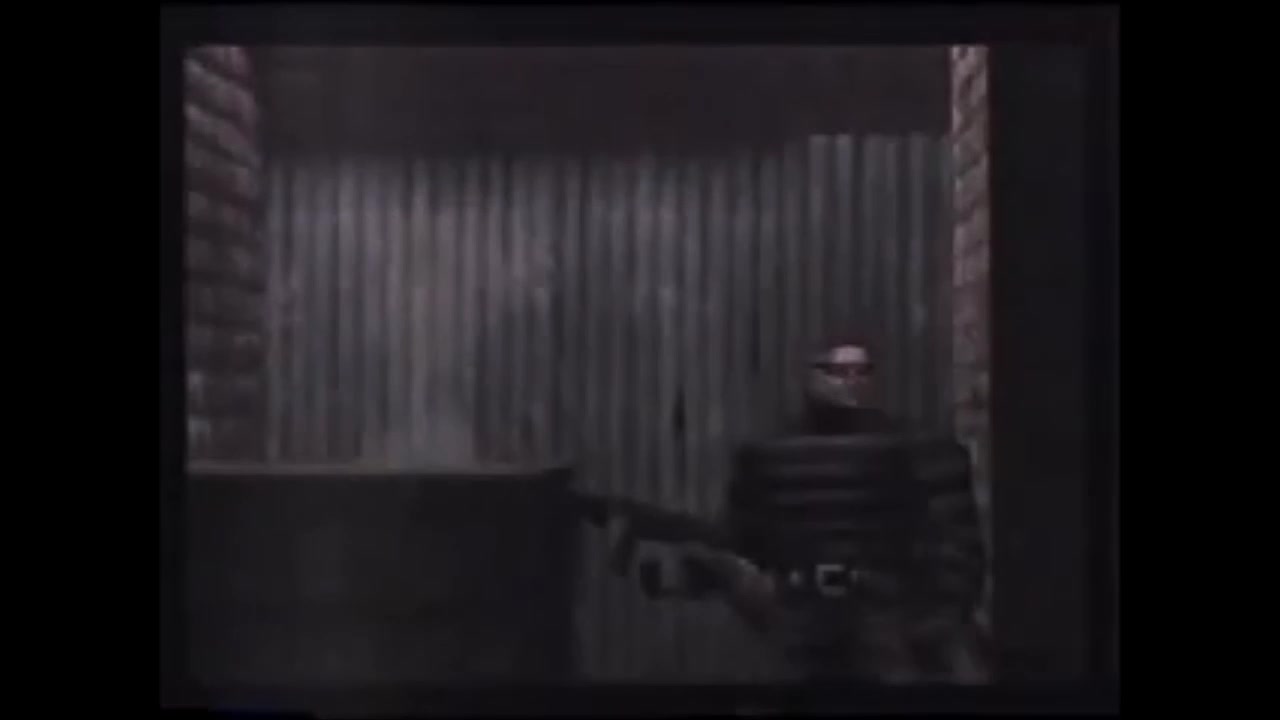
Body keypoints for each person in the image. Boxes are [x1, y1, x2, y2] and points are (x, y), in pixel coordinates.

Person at [674, 338, 992, 683]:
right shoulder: (768, 455)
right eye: (839, 371)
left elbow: (957, 543)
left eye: (861, 371)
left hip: (886, 619)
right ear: (811, 376)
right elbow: (740, 540)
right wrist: (762, 600)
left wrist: (933, 620)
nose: (851, 381)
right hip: (801, 618)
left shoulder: (918, 450)